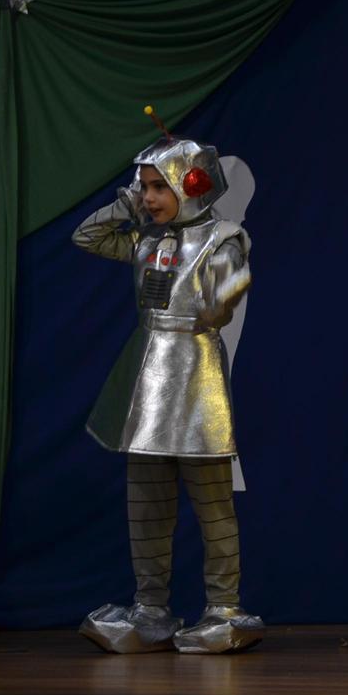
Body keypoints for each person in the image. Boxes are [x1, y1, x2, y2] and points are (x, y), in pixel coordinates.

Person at [74, 112, 263, 655]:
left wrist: (221, 286)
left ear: (192, 184)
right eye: (145, 187)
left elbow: (220, 305)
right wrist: (126, 207)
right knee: (146, 503)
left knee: (212, 503)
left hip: (195, 376)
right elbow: (86, 236)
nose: (150, 197)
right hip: (146, 379)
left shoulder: (224, 239)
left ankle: (224, 607)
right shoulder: (144, 239)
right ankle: (151, 609)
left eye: (160, 186)